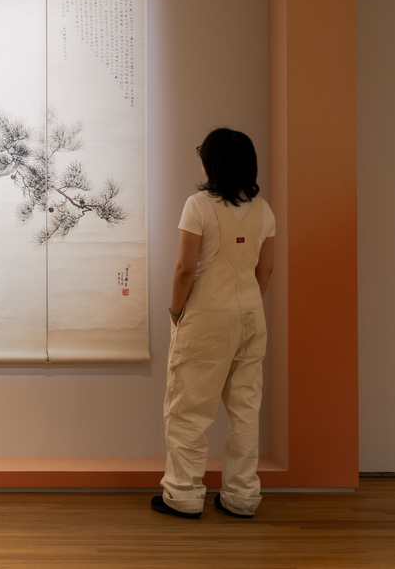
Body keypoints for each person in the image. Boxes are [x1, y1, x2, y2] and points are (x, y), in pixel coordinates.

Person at [152, 128, 275, 520]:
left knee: (188, 408)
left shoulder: (198, 205)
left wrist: (175, 312)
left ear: (212, 162)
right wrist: (247, 305)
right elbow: (266, 268)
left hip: (206, 318)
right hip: (252, 317)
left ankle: (184, 495)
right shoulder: (265, 210)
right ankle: (241, 497)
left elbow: (185, 269)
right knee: (245, 410)